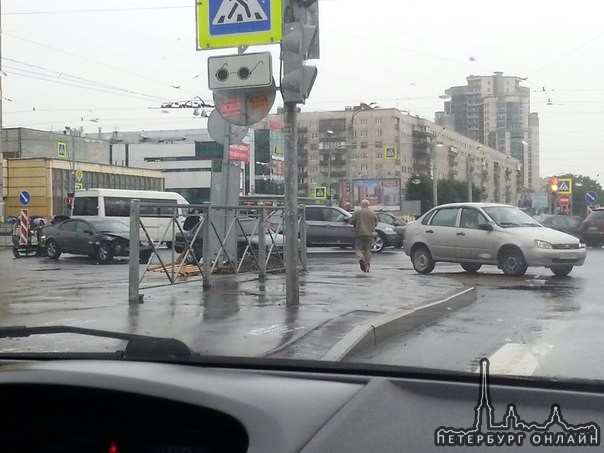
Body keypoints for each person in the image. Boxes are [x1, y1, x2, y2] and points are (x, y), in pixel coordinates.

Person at [349, 199, 378, 273]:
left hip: (359, 234)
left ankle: (361, 258)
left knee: (359, 249)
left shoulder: (357, 212)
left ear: (361, 205)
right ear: (368, 205)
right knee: (368, 250)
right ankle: (367, 265)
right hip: (369, 234)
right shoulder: (372, 213)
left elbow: (351, 221)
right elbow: (376, 223)